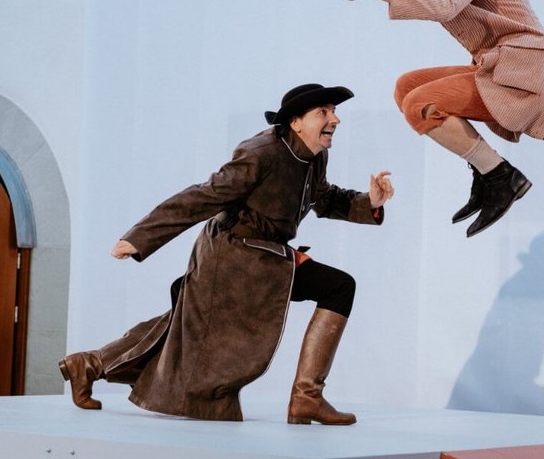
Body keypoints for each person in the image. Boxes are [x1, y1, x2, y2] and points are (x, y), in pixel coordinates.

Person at [58, 84, 393, 425]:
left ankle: (88, 364)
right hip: (232, 256)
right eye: (324, 112)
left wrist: (370, 202)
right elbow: (205, 195)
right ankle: (307, 398)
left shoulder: (315, 156)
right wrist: (140, 238)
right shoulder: (261, 152)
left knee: (183, 327)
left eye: (334, 111)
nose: (335, 119)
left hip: (266, 255)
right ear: (295, 122)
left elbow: (325, 198)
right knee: (334, 287)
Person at [339, 0, 544, 237]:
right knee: (406, 87)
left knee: (419, 104)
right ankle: (485, 171)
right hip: (500, 66)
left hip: (523, 74)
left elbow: (444, 3)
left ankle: (500, 176)